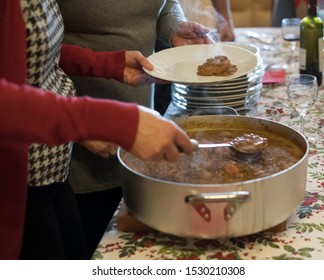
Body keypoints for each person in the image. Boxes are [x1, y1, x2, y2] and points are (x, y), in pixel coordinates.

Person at [0, 0, 193, 260]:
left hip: (50, 174)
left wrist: (106, 64)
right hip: (18, 181)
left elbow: (36, 54)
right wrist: (105, 121)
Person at [57, 0, 216, 257]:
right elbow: (32, 57)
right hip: (78, 146)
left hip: (139, 121)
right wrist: (79, 122)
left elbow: (164, 4)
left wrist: (173, 25)